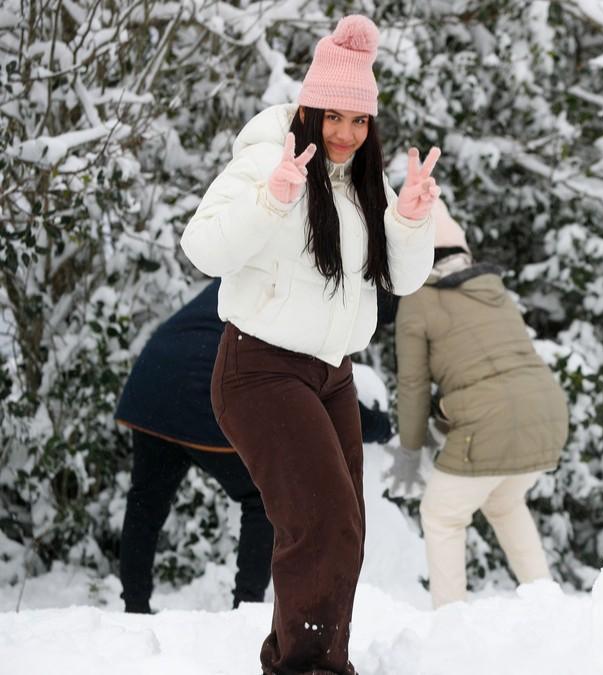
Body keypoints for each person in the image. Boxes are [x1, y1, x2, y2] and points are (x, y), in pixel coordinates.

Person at [179, 15, 437, 675]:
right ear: (308, 110)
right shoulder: (268, 158)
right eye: (333, 118)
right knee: (323, 524)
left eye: (359, 120)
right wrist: (270, 200)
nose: (345, 134)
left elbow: (401, 280)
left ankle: (312, 660)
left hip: (331, 375)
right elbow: (201, 247)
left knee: (341, 528)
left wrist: (411, 220)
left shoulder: (362, 180)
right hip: (260, 370)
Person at [115, 279, 394, 615]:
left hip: (152, 382)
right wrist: (381, 427)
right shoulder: (306, 296)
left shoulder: (251, 268)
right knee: (261, 497)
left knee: (145, 503)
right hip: (201, 390)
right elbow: (325, 390)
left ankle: (134, 606)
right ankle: (246, 606)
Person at [390, 204, 568, 608]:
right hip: (548, 411)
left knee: (441, 516)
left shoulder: (418, 299)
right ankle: (547, 604)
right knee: (504, 502)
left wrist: (410, 452)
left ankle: (450, 620)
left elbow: (413, 385)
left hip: (491, 420)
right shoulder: (491, 288)